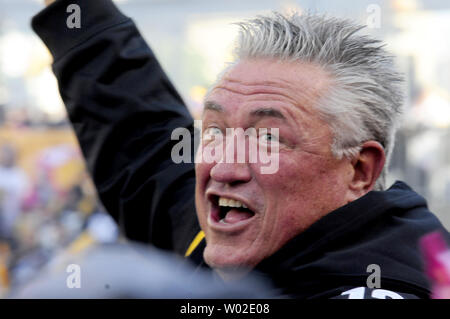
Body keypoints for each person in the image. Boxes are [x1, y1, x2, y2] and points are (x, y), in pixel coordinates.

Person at [31, 0, 449, 298]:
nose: (223, 168)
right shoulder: (251, 229)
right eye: (214, 131)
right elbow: (142, 149)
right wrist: (78, 13)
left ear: (359, 169)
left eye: (268, 138)